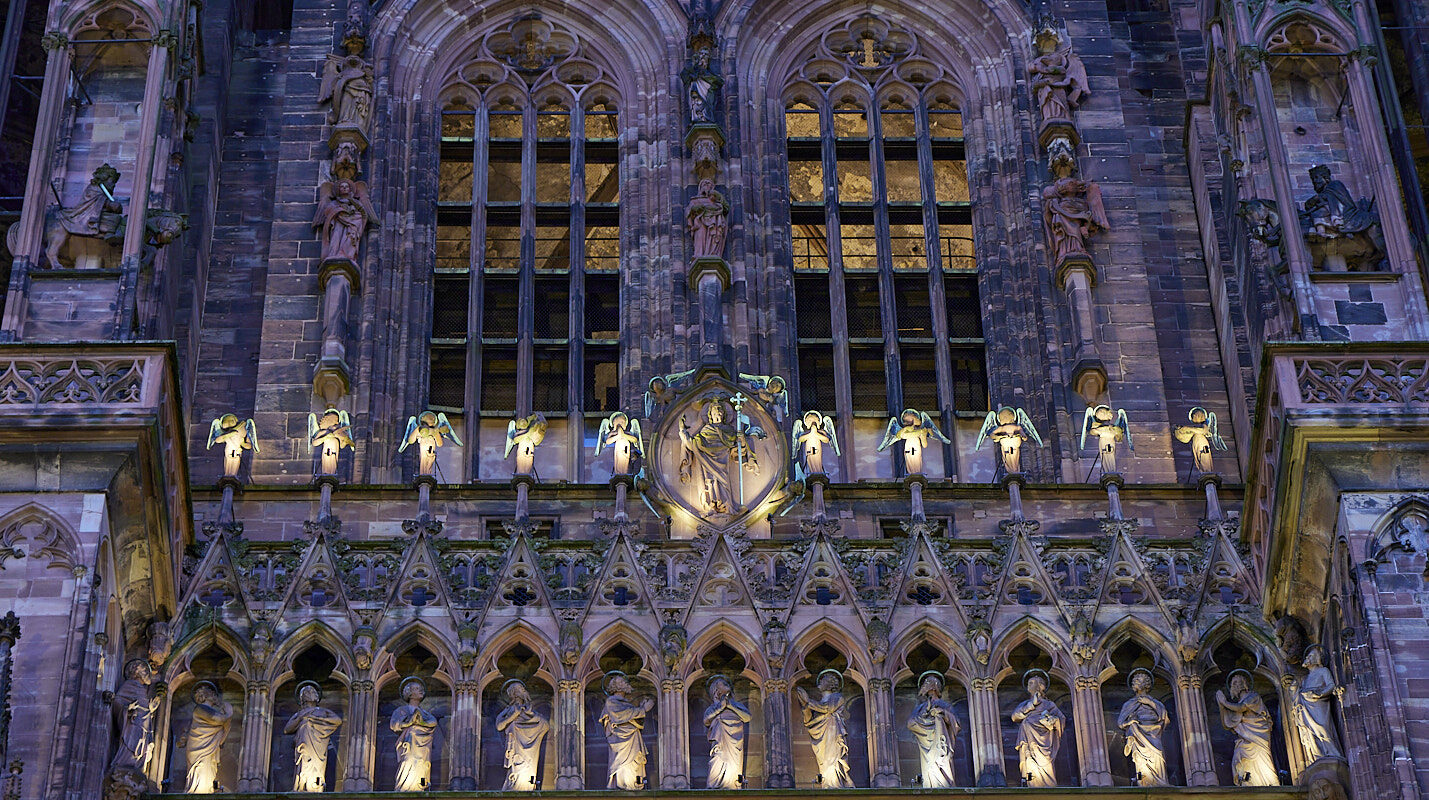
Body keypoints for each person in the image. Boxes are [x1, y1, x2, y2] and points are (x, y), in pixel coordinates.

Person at [1216, 670, 1278, 786]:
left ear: (1244, 683)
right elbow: (1228, 723)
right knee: (1239, 756)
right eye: (1233, 684)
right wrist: (1221, 706)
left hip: (1258, 734)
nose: (1235, 686)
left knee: (1262, 758)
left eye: (1237, 682)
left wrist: (1224, 702)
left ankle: (1270, 784)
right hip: (1245, 738)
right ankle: (1247, 784)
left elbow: (1242, 707)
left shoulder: (1253, 696)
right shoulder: (1236, 706)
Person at [795, 670, 854, 788]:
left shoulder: (837, 697)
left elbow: (828, 708)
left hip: (833, 732)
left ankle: (835, 784)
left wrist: (808, 701)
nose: (820, 682)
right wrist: (805, 706)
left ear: (830, 684)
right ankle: (827, 784)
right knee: (825, 762)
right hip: (821, 736)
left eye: (824, 680)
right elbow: (809, 721)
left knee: (833, 759)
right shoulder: (819, 703)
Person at [284, 682, 342, 792]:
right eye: (308, 692)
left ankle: (315, 785)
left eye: (313, 691)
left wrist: (318, 720)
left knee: (317, 765)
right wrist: (301, 718)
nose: (312, 693)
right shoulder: (299, 714)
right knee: (304, 760)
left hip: (319, 744)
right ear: (302, 698)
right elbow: (287, 729)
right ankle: (302, 784)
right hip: (304, 744)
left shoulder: (323, 711)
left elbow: (337, 720)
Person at [600, 673, 655, 789]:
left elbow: (634, 719)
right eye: (623, 682)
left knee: (634, 762)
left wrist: (641, 708)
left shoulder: (626, 704)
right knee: (621, 763)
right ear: (618, 686)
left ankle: (633, 785)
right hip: (619, 739)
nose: (626, 684)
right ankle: (622, 785)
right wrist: (643, 709)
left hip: (633, 738)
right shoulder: (611, 702)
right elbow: (620, 716)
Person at [1290, 645, 1345, 763]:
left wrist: (1319, 694)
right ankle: (1317, 757)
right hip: (1306, 706)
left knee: (1323, 729)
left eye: (1310, 656)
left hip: (1319, 704)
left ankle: (1333, 754)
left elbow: (1331, 685)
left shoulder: (1323, 671)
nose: (1307, 659)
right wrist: (1294, 689)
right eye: (1307, 657)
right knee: (1310, 733)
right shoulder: (1305, 679)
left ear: (1317, 658)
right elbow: (1298, 694)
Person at [1116, 669, 1169, 786]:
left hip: (1154, 733)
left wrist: (1149, 703)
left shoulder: (1155, 703)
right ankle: (1143, 782)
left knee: (1158, 756)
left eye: (1140, 680)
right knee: (1139, 760)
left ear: (1147, 684)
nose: (1137, 683)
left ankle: (1160, 782)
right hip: (1138, 734)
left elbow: (1164, 717)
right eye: (1135, 681)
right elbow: (1121, 723)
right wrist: (1130, 722)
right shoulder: (1129, 704)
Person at [1011, 670, 1064, 787]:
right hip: (1027, 740)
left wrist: (1052, 720)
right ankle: (1030, 783)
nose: (1028, 686)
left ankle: (1048, 786)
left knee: (1045, 762)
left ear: (1040, 686)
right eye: (1028, 683)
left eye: (1031, 683)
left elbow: (1061, 719)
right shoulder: (1026, 704)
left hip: (1043, 740)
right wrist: (1031, 705)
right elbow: (1015, 716)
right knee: (1029, 763)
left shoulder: (1048, 704)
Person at [906, 673, 958, 788]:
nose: (924, 687)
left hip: (942, 740)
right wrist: (925, 717)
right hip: (926, 742)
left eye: (927, 684)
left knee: (942, 760)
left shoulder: (944, 705)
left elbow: (956, 724)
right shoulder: (921, 708)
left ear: (934, 686)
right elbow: (911, 723)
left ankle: (944, 784)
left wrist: (942, 713)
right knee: (930, 766)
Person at [496, 680, 549, 791]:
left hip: (530, 748)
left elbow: (545, 725)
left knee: (527, 767)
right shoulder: (508, 709)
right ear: (514, 693)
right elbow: (499, 726)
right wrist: (513, 716)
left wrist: (532, 716)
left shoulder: (529, 709)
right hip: (515, 744)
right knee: (516, 769)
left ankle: (526, 787)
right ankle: (515, 787)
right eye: (519, 689)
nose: (523, 691)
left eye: (522, 689)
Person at [182, 682, 234, 793]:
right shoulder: (200, 709)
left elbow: (221, 734)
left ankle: (205, 791)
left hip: (209, 747)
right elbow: (219, 719)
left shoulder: (210, 710)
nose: (214, 696)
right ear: (204, 696)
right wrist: (228, 713)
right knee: (200, 768)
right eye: (212, 694)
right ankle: (197, 792)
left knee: (208, 768)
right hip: (199, 748)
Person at [390, 678, 439, 791]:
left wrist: (421, 723)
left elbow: (433, 722)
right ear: (410, 693)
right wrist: (409, 723)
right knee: (408, 762)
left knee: (423, 766)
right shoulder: (401, 710)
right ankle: (404, 787)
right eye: (417, 689)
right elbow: (394, 724)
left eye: (421, 689)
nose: (421, 691)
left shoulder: (424, 713)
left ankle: (421, 786)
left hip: (423, 747)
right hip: (408, 745)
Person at [703, 675, 751, 789]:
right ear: (716, 690)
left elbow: (747, 717)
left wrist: (730, 706)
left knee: (733, 763)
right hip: (720, 740)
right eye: (724, 684)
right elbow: (706, 720)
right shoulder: (712, 708)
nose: (727, 685)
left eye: (727, 683)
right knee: (718, 759)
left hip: (735, 741)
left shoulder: (737, 705)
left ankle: (732, 785)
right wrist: (720, 707)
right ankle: (715, 785)